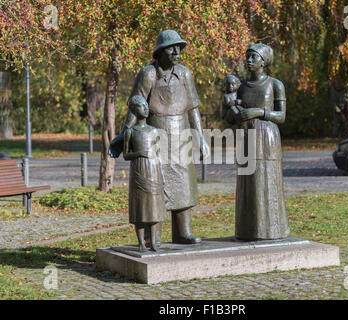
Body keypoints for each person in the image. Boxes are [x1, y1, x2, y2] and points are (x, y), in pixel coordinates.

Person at [109, 30, 210, 244]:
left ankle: (183, 231)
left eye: (178, 47)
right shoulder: (148, 74)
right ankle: (152, 236)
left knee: (183, 182)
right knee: (155, 184)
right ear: (159, 51)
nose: (176, 51)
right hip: (156, 133)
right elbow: (135, 105)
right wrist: (124, 133)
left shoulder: (185, 74)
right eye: (170, 47)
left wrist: (200, 137)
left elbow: (193, 108)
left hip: (181, 132)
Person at [223, 43, 290, 240]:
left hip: (267, 136)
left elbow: (282, 116)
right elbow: (227, 115)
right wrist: (233, 112)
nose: (249, 60)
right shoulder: (240, 86)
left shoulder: (275, 84)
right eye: (247, 56)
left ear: (264, 61)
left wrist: (260, 112)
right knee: (248, 182)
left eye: (253, 57)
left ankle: (274, 230)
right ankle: (248, 230)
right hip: (246, 136)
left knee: (268, 180)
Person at [123, 96, 166, 252]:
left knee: (154, 206)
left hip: (154, 169)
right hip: (139, 169)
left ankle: (154, 242)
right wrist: (139, 153)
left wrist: (161, 175)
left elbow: (159, 154)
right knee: (140, 207)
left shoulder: (153, 130)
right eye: (142, 106)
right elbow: (126, 154)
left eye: (146, 106)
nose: (146, 109)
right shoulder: (130, 131)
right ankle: (141, 243)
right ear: (135, 110)